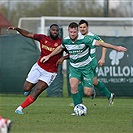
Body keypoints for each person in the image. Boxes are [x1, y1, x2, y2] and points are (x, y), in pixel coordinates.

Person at [40, 22, 127, 114]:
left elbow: (101, 44)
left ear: (77, 32)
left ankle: (92, 90)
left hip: (87, 68)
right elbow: (60, 48)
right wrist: (48, 56)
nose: (72, 34)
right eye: (71, 32)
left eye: (74, 32)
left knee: (88, 92)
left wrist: (116, 48)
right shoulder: (66, 41)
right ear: (68, 31)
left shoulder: (85, 39)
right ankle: (77, 107)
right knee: (73, 86)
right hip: (74, 68)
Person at [7, 24, 62, 114]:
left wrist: (63, 58)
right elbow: (28, 34)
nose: (55, 32)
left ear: (58, 32)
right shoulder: (42, 38)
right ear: (50, 31)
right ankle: (29, 89)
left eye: (56, 30)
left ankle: (20, 108)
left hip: (50, 72)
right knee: (26, 88)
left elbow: (70, 53)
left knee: (37, 90)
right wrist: (17, 29)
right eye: (53, 30)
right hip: (39, 67)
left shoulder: (61, 43)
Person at [78, 19, 115, 106]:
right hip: (81, 62)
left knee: (78, 80)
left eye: (84, 27)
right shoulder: (77, 36)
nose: (82, 29)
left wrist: (102, 58)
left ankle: (78, 102)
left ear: (87, 27)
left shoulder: (93, 36)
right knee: (95, 81)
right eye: (81, 27)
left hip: (90, 62)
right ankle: (109, 95)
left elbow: (104, 45)